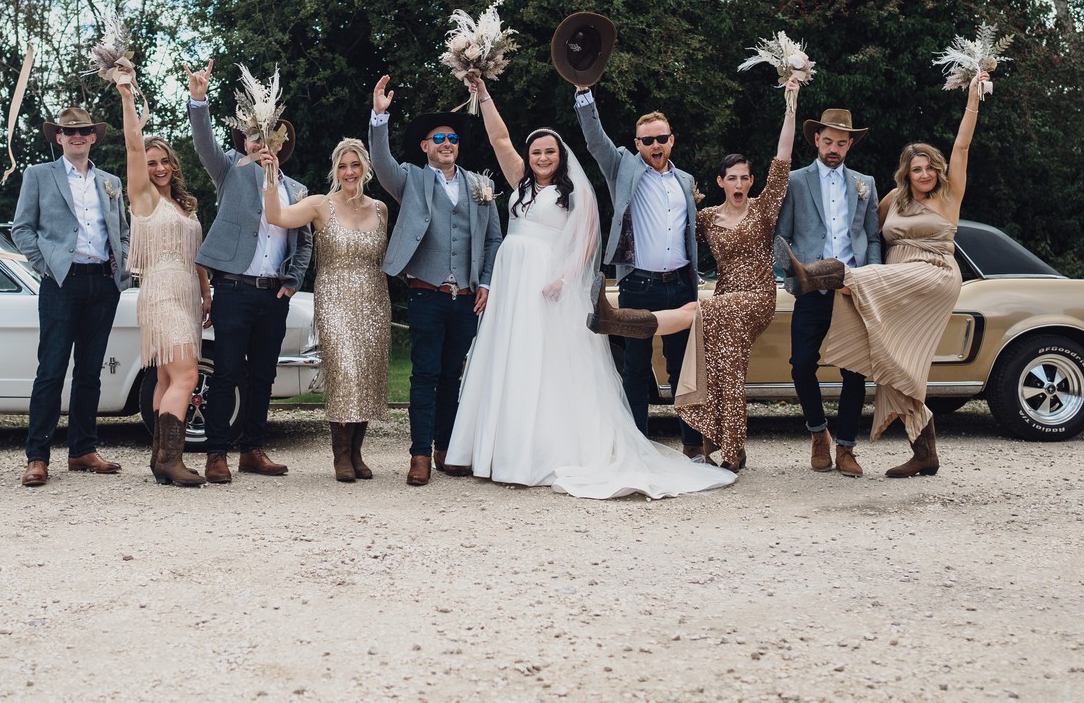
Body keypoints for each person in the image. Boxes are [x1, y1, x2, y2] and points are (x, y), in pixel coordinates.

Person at [443, 78, 736, 500]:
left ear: (561, 156)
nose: (542, 157)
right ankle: (497, 450)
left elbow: (586, 241)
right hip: (513, 281)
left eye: (550, 151)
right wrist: (484, 95)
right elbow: (499, 137)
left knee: (549, 363)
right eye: (536, 151)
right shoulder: (520, 181)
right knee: (511, 357)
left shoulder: (575, 191)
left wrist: (563, 278)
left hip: (550, 282)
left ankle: (544, 450)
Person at [786, 72, 990, 478]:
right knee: (891, 362)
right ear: (907, 173)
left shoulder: (947, 197)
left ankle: (827, 275)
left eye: (931, 167)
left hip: (921, 278)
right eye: (917, 169)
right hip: (885, 288)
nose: (925, 174)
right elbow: (870, 234)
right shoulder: (890, 199)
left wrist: (973, 101)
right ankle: (923, 451)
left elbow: (962, 145)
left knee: (859, 368)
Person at [368, 75, 504, 487]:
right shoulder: (410, 178)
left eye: (452, 138)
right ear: (426, 146)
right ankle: (419, 455)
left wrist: (486, 283)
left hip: (466, 297)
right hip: (427, 294)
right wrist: (379, 117)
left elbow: (494, 238)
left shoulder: (482, 186)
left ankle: (447, 448)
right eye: (438, 138)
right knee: (424, 374)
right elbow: (382, 161)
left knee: (453, 375)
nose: (447, 143)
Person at [187, 61, 313, 483]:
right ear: (247, 141)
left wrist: (293, 282)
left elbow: (305, 241)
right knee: (225, 371)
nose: (263, 144)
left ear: (281, 143)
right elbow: (203, 143)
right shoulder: (229, 171)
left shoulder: (296, 190)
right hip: (234, 290)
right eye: (256, 137)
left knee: (264, 374)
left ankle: (253, 450)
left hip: (273, 294)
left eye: (270, 137)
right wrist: (199, 100)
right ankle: (216, 453)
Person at [673, 79, 800, 472]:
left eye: (745, 177)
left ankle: (723, 443)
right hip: (726, 298)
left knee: (708, 314)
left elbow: (783, 158)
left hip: (758, 296)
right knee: (727, 363)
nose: (741, 184)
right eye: (733, 178)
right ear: (720, 183)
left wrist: (791, 105)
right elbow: (676, 240)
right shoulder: (707, 217)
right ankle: (728, 449)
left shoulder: (763, 209)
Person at [574, 83, 706, 457]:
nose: (655, 146)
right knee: (634, 366)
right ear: (636, 144)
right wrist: (584, 94)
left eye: (661, 138)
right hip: (639, 285)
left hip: (680, 284)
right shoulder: (622, 167)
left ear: (672, 140)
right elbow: (595, 140)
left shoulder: (685, 182)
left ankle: (693, 445)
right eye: (647, 141)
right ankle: (637, 446)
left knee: (683, 366)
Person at [10, 107, 132, 487]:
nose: (76, 136)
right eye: (68, 131)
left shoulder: (110, 181)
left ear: (93, 137)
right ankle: (37, 456)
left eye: (83, 131)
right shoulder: (38, 175)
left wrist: (122, 265)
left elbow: (123, 230)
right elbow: (22, 228)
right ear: (58, 138)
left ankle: (82, 450)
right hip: (61, 281)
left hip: (103, 283)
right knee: (51, 370)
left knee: (90, 371)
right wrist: (45, 264)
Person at [260, 138, 390, 483]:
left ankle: (358, 452)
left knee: (366, 374)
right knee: (345, 371)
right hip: (334, 298)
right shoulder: (320, 205)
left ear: (365, 168)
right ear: (335, 170)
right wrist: (271, 175)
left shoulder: (380, 209)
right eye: (343, 166)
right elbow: (276, 216)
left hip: (374, 299)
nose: (349, 172)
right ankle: (340, 456)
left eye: (355, 165)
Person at [773, 107, 882, 477]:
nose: (833, 148)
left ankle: (847, 448)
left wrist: (872, 275)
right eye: (827, 141)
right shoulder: (796, 181)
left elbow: (871, 235)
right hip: (811, 289)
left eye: (841, 142)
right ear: (816, 140)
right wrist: (790, 275)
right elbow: (782, 236)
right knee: (802, 365)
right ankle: (819, 434)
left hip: (851, 289)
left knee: (854, 372)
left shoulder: (864, 182)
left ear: (850, 144)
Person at [114, 71, 210, 487]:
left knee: (171, 377)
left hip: (189, 294)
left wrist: (207, 295)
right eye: (151, 163)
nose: (156, 168)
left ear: (174, 164)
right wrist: (125, 94)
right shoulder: (145, 199)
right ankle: (172, 458)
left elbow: (199, 257)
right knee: (188, 375)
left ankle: (160, 460)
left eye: (163, 161)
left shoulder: (185, 205)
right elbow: (134, 143)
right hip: (161, 291)